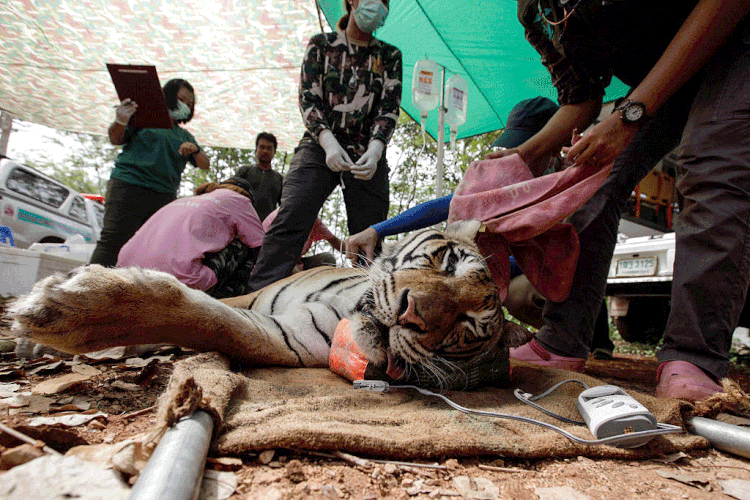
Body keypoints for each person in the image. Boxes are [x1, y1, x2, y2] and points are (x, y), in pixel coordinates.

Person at [493, 0, 750, 401]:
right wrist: (525, 154)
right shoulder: (538, 13)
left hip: (733, 38)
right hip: (659, 82)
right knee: (592, 178)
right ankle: (561, 341)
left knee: (710, 162)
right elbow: (582, 98)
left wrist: (631, 114)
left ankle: (692, 355)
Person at [344, 96, 616, 357]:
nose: (515, 157)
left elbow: (559, 259)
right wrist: (377, 229)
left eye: (527, 148)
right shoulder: (511, 181)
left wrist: (475, 272)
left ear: (551, 145)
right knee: (495, 289)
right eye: (514, 147)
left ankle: (584, 339)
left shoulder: (568, 184)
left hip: (571, 290)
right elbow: (448, 205)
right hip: (531, 274)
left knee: (519, 293)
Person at [242, 0, 402, 292]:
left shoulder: (389, 55)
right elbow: (308, 98)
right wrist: (327, 141)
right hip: (319, 145)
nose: (377, 4)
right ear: (351, 1)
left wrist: (376, 149)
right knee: (292, 216)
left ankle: (369, 301)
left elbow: (389, 108)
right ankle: (258, 297)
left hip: (367, 152)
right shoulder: (321, 45)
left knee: (371, 234)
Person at [90, 78, 210, 267]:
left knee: (147, 249)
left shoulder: (184, 136)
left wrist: (195, 149)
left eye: (189, 103)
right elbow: (115, 138)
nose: (185, 105)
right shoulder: (144, 118)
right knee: (113, 242)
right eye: (181, 99)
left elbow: (204, 164)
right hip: (128, 187)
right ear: (167, 96)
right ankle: (88, 290)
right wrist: (121, 120)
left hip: (163, 196)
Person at [117, 177, 264, 298]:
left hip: (125, 272)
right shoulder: (240, 200)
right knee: (245, 244)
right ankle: (228, 301)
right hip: (178, 282)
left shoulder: (187, 200)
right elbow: (262, 246)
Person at [262, 207, 343, 273]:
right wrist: (300, 277)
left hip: (297, 265)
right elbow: (281, 255)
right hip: (274, 265)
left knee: (327, 259)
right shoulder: (282, 216)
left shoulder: (313, 220)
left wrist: (353, 248)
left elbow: (335, 242)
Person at [235, 132, 284, 221]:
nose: (265, 151)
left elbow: (284, 208)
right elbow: (231, 195)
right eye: (262, 147)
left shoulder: (280, 179)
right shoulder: (244, 171)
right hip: (242, 223)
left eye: (269, 148)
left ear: (274, 151)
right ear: (256, 149)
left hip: (267, 228)